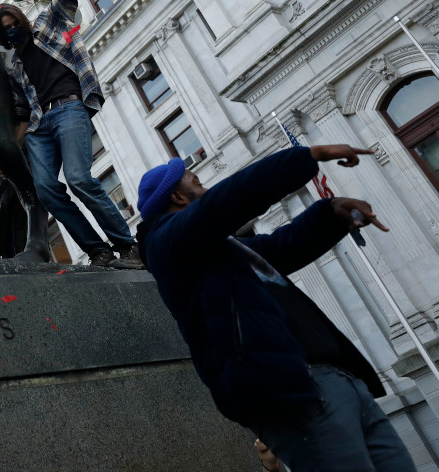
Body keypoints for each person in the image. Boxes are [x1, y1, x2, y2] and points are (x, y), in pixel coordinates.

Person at [135, 144, 417, 472]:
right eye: (197, 183)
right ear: (178, 198)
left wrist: (330, 212)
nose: (207, 188)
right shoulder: (165, 244)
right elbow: (223, 203)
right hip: (292, 393)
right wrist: (306, 157)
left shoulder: (226, 249)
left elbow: (281, 247)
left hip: (340, 381)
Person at [0, 0, 142, 269]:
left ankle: (127, 245)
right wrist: (11, 151)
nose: (12, 32)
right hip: (41, 125)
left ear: (22, 22)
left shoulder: (48, 24)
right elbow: (23, 112)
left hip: (69, 109)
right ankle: (97, 250)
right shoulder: (14, 66)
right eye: (5, 31)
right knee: (46, 191)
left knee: (78, 178)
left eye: (14, 24)